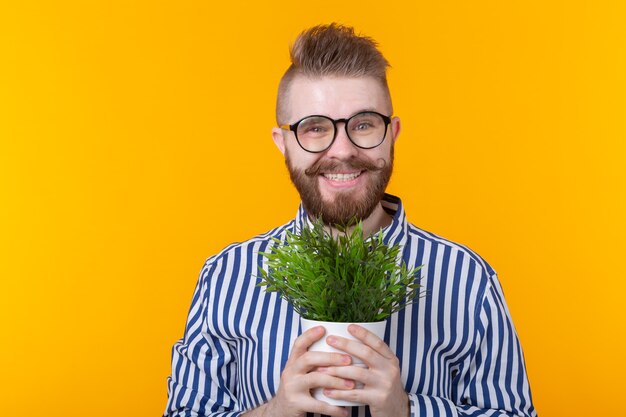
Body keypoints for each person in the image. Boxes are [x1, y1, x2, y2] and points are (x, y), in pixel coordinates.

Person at [163, 24, 537, 417]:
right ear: (283, 143)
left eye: (363, 124)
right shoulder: (226, 276)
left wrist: (409, 411)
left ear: (392, 133)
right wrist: (272, 413)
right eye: (315, 128)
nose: (342, 150)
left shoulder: (469, 281)